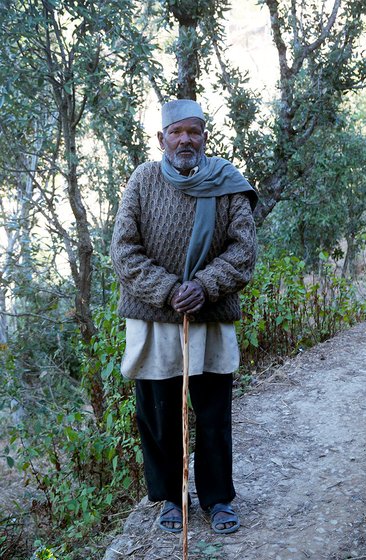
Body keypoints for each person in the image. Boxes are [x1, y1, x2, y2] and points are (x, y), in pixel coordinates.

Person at [110, 99, 257, 534]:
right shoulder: (142, 180)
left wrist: (204, 286)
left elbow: (244, 249)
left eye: (193, 131)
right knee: (158, 414)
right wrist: (169, 290)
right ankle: (170, 498)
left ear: (205, 136)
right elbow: (123, 249)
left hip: (209, 317)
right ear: (161, 139)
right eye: (176, 132)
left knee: (212, 413)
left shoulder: (227, 183)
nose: (185, 140)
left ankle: (217, 499)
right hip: (154, 317)